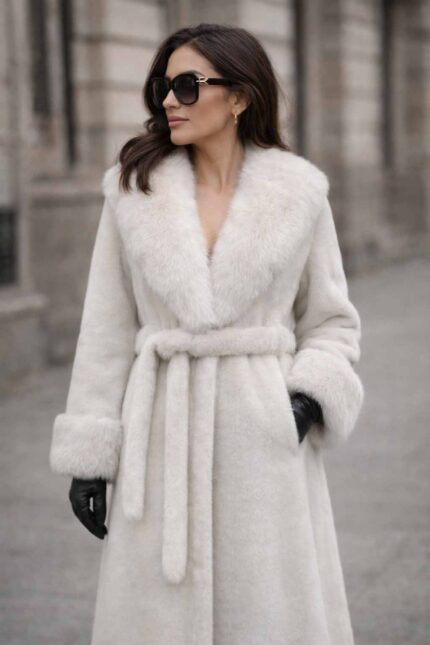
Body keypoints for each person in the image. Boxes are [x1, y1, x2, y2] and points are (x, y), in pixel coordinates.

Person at [49, 23, 364, 645]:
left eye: (188, 86)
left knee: (269, 614)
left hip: (265, 446)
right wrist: (90, 459)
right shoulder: (134, 191)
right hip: (162, 439)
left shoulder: (300, 194)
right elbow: (106, 330)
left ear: (239, 97)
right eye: (163, 87)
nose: (170, 100)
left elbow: (331, 320)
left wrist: (302, 405)